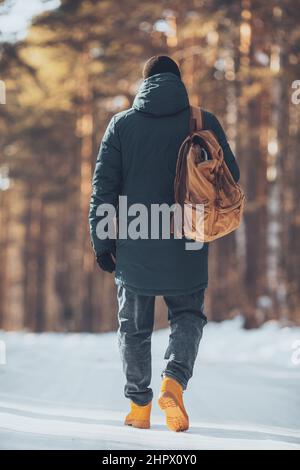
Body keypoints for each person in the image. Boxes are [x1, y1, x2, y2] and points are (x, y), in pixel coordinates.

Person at [89, 56, 240, 432]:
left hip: (135, 240)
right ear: (177, 81)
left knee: (134, 328)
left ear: (145, 84)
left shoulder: (121, 125)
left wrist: (102, 241)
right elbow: (231, 177)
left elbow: (103, 190)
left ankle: (139, 408)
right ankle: (173, 380)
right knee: (187, 316)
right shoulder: (203, 121)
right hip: (188, 238)